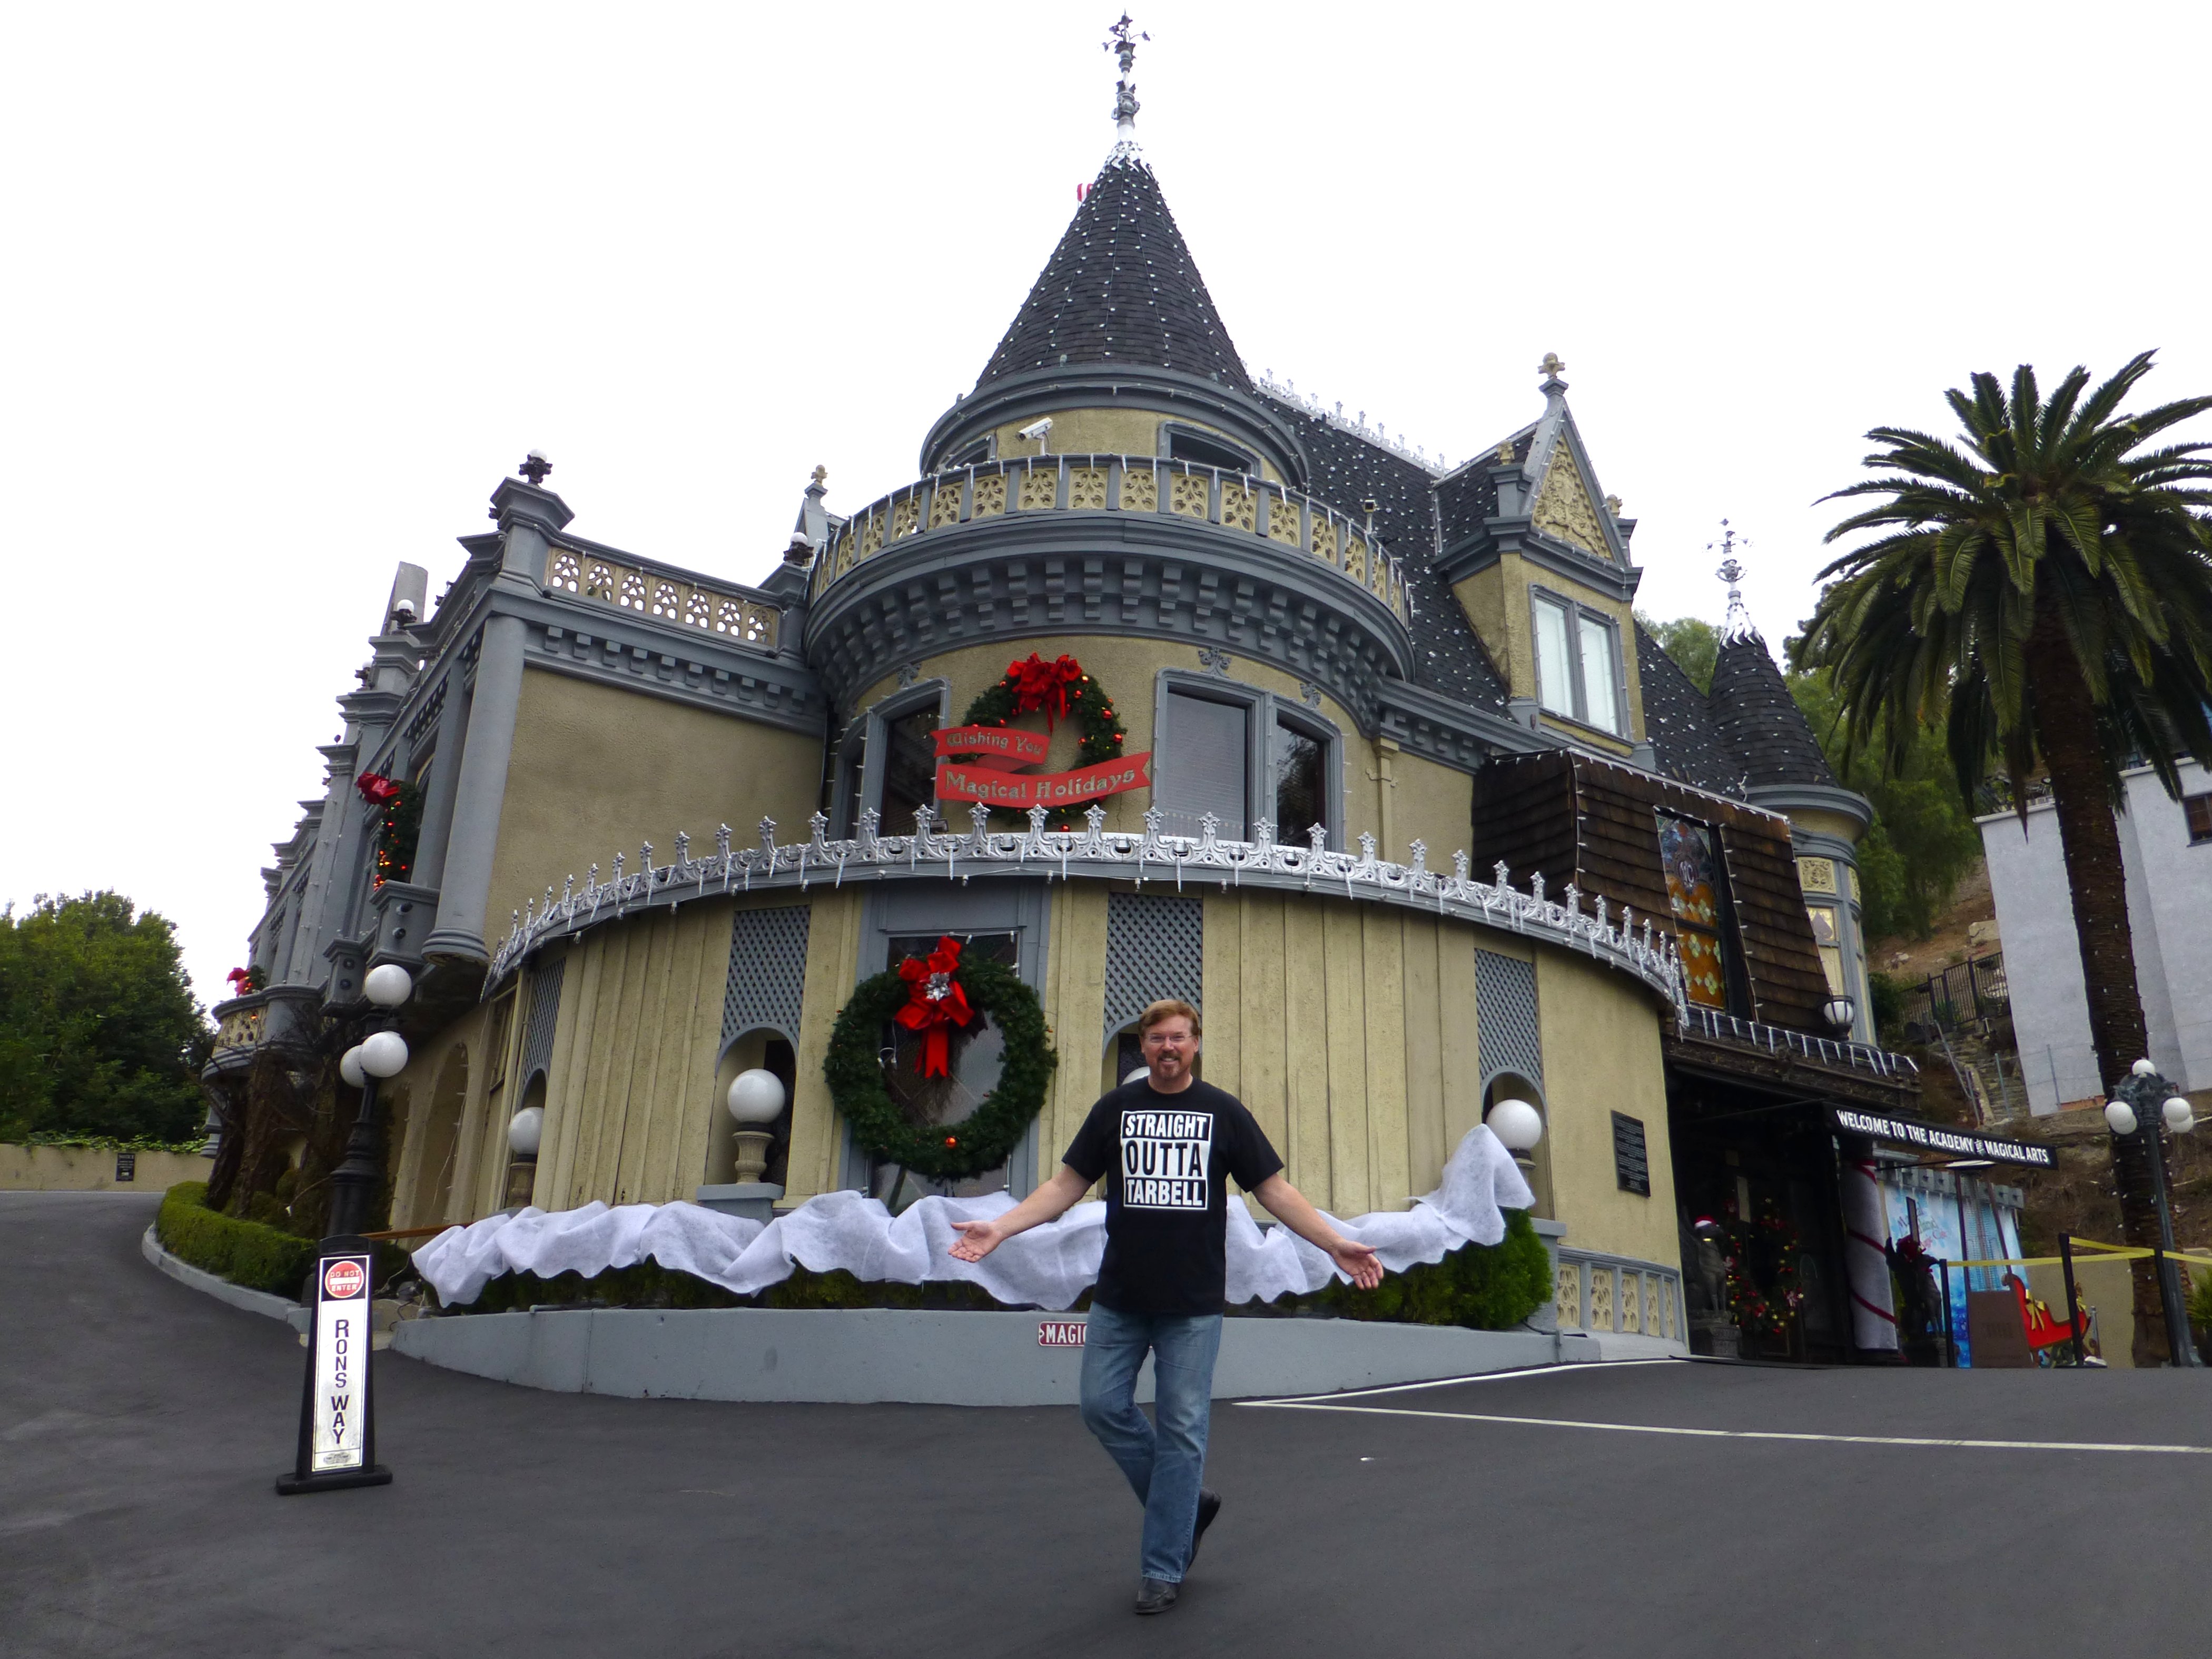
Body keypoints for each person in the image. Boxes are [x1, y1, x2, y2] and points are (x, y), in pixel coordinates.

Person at [949, 998, 1382, 1615]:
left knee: (1183, 1433)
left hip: (1192, 1305)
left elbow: (1275, 1190)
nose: (1168, 1048)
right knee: (1102, 1407)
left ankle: (1161, 1566)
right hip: (1121, 1296)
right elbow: (1065, 1184)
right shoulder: (1114, 1111)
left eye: (1178, 1038)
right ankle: (1187, 1507)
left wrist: (1335, 1242)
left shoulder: (1223, 1113)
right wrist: (1002, 1227)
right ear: (1144, 1047)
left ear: (1195, 1044)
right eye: (1157, 1039)